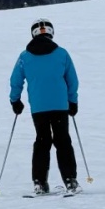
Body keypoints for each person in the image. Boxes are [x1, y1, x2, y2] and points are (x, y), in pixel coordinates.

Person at [9, 18, 80, 195]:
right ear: (51, 33)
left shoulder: (24, 56)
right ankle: (70, 180)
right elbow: (72, 80)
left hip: (39, 107)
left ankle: (39, 182)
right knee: (63, 141)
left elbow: (15, 80)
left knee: (42, 141)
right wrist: (73, 101)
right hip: (59, 105)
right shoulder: (62, 53)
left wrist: (15, 100)